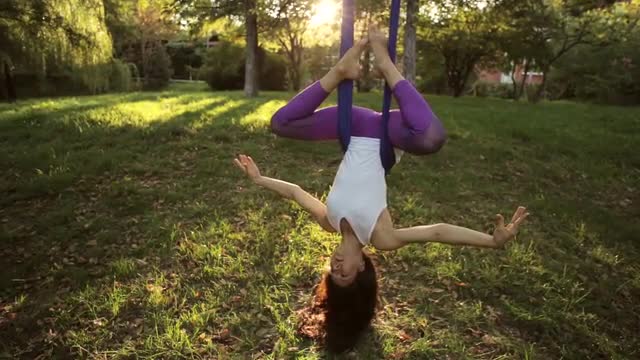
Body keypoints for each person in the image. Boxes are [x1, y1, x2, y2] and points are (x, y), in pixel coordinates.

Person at [233, 26, 529, 352]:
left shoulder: (328, 221)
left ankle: (340, 71)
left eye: (334, 273)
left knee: (280, 124)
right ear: (361, 268)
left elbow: (295, 192)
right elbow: (437, 232)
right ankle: (387, 66)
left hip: (353, 124)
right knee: (432, 139)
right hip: (390, 133)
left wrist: (260, 180)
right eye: (345, 275)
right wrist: (490, 242)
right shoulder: (381, 236)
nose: (338, 267)